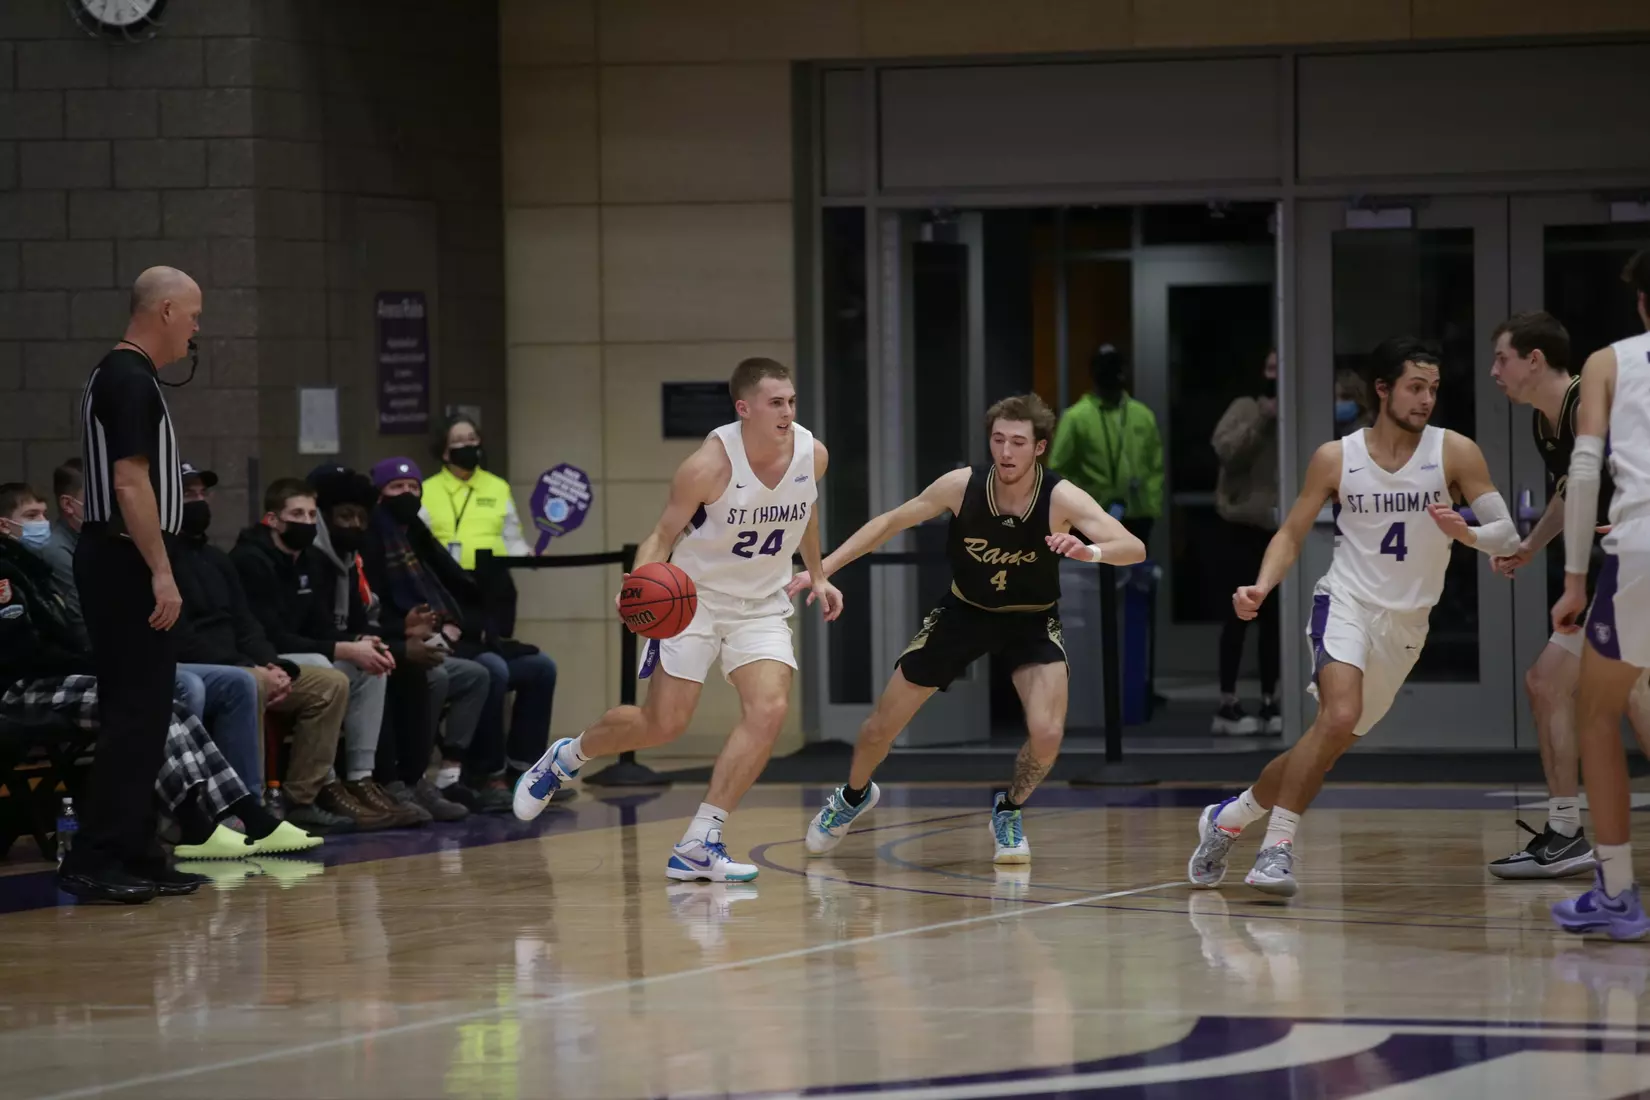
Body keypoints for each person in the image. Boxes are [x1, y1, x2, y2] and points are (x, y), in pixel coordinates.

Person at [1186, 338, 1523, 899]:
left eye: (1434, 389)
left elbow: (1507, 534)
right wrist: (1261, 586)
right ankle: (1277, 850)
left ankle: (1229, 817)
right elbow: (1292, 532)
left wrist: (1465, 533)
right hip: (1344, 601)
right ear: (1383, 390)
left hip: (1407, 625)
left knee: (1327, 740)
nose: (1426, 400)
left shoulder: (1456, 452)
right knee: (1338, 714)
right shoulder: (1336, 457)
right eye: (1416, 387)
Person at [512, 357, 838, 883]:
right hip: (694, 599)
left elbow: (807, 511)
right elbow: (662, 535)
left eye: (792, 401)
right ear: (744, 408)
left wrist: (818, 573)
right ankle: (566, 757)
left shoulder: (811, 453)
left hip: (759, 604)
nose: (788, 412)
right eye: (776, 402)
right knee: (663, 724)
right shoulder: (707, 466)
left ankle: (699, 841)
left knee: (770, 709)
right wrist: (640, 583)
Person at [786, 394, 1145, 862]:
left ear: (1039, 448)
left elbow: (1132, 547)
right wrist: (823, 570)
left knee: (1048, 733)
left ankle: (1009, 808)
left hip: (1031, 619)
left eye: (1018, 442)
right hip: (964, 612)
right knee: (879, 728)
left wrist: (1089, 552)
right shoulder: (962, 486)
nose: (1006, 452)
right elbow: (890, 522)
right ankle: (853, 796)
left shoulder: (1060, 496)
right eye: (998, 440)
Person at [1485, 310, 1650, 879]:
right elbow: (1568, 494)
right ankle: (1563, 833)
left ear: (1534, 359)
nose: (1493, 371)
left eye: (1502, 358)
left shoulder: (1588, 400)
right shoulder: (1545, 422)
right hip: (1617, 568)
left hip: (1635, 560)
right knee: (1547, 682)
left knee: (1632, 693)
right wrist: (1532, 546)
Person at [61, 265, 196, 902]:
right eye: (193, 316)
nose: (195, 330)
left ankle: (138, 849)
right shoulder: (129, 377)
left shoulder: (120, 375)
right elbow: (128, 483)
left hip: (120, 555)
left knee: (144, 711)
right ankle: (97, 856)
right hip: (125, 558)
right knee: (135, 712)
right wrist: (161, 569)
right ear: (166, 310)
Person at [172, 465, 361, 834]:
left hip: (243, 663)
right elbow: (183, 636)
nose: (198, 501)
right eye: (187, 494)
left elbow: (247, 625)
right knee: (248, 683)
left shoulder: (215, 558)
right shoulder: (162, 561)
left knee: (329, 683)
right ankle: (248, 806)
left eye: (201, 494)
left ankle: (301, 799)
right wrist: (251, 668)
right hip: (203, 667)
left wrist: (272, 664)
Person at [1551, 250, 1650, 938]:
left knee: (1597, 710)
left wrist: (1575, 578)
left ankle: (1616, 891)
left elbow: (1584, 472)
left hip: (1642, 549)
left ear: (1641, 301)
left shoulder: (1609, 361)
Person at [232, 478, 399, 830]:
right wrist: (343, 648)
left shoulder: (311, 561)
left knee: (372, 667)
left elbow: (319, 627)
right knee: (329, 669)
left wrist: (360, 641)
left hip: (302, 653)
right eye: (296, 514)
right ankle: (321, 785)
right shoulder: (250, 560)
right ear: (272, 520)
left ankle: (360, 776)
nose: (306, 522)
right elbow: (269, 635)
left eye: (311, 514)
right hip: (262, 657)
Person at [308, 463, 467, 822]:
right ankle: (377, 779)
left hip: (344, 648)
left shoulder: (348, 559)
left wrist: (401, 635)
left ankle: (408, 779)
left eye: (361, 518)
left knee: (403, 665)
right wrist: (395, 646)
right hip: (308, 655)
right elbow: (311, 629)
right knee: (384, 665)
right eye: (345, 517)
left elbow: (361, 624)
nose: (355, 526)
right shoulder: (312, 560)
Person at [363, 458, 522, 813]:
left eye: (413, 488)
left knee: (502, 671)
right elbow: (373, 608)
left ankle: (453, 774)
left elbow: (458, 588)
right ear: (379, 495)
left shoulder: (418, 535)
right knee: (446, 673)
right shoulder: (373, 539)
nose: (407, 494)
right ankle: (409, 778)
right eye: (396, 488)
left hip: (440, 635)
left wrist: (457, 625)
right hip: (392, 640)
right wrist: (406, 631)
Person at [1211, 350, 1282, 736]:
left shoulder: (1297, 408)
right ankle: (1227, 702)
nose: (1275, 375)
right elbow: (1226, 453)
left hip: (1276, 528)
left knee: (1274, 621)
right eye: (1271, 367)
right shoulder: (1244, 408)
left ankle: (1272, 698)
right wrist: (1261, 421)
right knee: (1237, 617)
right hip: (1238, 526)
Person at [1049, 344, 1164, 545]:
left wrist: (1151, 504)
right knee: (1095, 575)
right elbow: (1058, 470)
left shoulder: (1142, 415)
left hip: (1137, 516)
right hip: (1093, 518)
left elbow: (1156, 465)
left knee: (1133, 574)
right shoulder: (1076, 417)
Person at [422, 415, 532, 570]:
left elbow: (512, 538)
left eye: (472, 439)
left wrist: (527, 555)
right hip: (445, 581)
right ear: (445, 452)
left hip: (493, 579)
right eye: (459, 440)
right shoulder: (426, 490)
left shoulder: (499, 487)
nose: (467, 445)